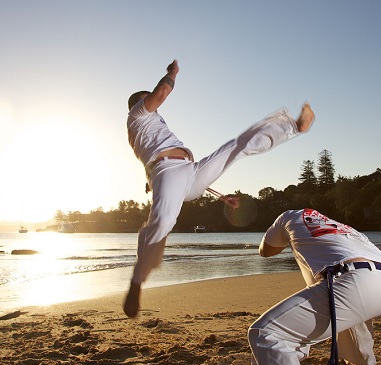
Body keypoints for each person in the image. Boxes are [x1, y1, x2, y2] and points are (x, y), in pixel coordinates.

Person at [124, 59, 315, 318]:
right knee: (161, 225)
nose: (157, 109)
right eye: (150, 103)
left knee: (235, 146)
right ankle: (137, 282)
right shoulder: (137, 115)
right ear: (137, 104)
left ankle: (292, 126)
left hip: (188, 174)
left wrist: (220, 195)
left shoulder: (151, 126)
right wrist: (172, 73)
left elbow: (177, 174)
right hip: (167, 173)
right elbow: (160, 93)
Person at [248, 208, 381, 365]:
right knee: (343, 297)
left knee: (266, 333)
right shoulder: (347, 231)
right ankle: (364, 364)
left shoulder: (288, 217)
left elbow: (266, 251)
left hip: (355, 282)